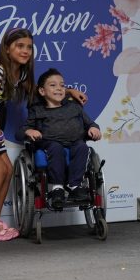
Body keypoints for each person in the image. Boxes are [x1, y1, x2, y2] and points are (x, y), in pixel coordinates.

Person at [0, 30, 87, 241]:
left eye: (28, 47)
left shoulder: (21, 74)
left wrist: (69, 91)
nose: (25, 51)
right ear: (7, 49)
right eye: (19, 46)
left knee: (8, 170)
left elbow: (38, 91)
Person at [20, 67, 101, 211]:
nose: (59, 88)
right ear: (42, 91)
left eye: (62, 85)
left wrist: (94, 129)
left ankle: (75, 185)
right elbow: (21, 130)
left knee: (82, 147)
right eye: (53, 85)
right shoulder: (38, 110)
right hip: (50, 144)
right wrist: (29, 131)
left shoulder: (74, 107)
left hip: (75, 143)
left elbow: (90, 123)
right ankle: (57, 187)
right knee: (56, 147)